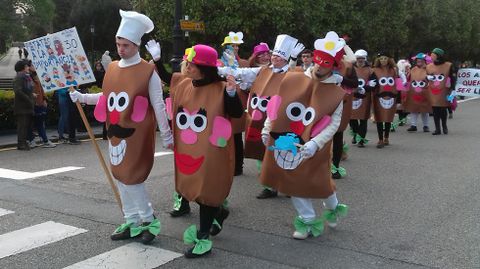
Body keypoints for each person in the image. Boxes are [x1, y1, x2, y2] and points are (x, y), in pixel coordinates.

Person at [70, 9, 173, 245]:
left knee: (132, 178)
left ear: (136, 45)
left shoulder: (149, 71)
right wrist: (82, 98)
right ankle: (132, 220)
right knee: (120, 177)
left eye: (126, 45)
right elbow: (108, 98)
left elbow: (158, 105)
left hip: (137, 135)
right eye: (119, 44)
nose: (121, 49)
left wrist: (167, 135)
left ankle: (149, 221)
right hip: (115, 132)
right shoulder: (114, 68)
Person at [260, 31, 348, 239]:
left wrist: (316, 143)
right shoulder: (293, 79)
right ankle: (307, 221)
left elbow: (334, 123)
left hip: (315, 145)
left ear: (333, 66)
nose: (319, 67)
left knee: (320, 183)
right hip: (289, 140)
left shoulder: (336, 92)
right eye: (318, 62)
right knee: (293, 180)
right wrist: (267, 127)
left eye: (325, 64)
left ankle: (333, 206)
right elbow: (277, 104)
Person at [167, 44, 243, 258]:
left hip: (212, 149)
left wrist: (230, 93)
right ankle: (219, 212)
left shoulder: (221, 88)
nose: (188, 67)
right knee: (192, 186)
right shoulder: (184, 85)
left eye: (192, 64)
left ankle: (203, 237)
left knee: (206, 189)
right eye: (188, 63)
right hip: (188, 147)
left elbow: (236, 113)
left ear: (205, 68)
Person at [224, 34, 305, 199]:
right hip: (260, 118)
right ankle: (269, 186)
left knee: (283, 151)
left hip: (282, 120)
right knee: (263, 151)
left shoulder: (290, 72)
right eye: (274, 55)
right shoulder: (263, 70)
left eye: (278, 56)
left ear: (284, 59)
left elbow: (297, 80)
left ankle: (287, 184)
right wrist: (217, 70)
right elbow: (243, 73)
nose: (274, 58)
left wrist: (294, 59)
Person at [220, 31, 249, 176]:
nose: (235, 48)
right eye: (232, 45)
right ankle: (223, 163)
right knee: (222, 134)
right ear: (225, 47)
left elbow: (250, 82)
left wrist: (243, 84)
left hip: (238, 100)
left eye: (237, 46)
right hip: (222, 100)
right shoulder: (218, 63)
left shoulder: (243, 63)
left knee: (237, 135)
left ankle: (238, 166)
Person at [331, 39, 358, 179]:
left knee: (337, 135)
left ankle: (335, 167)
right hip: (322, 104)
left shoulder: (347, 66)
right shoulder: (322, 64)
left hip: (341, 104)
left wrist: (341, 79)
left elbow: (355, 83)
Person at [371, 52, 399, 148]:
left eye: (385, 58)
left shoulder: (393, 70)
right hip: (378, 96)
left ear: (389, 60)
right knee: (379, 117)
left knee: (388, 117)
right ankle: (380, 139)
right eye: (381, 59)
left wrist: (398, 98)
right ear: (378, 60)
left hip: (391, 96)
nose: (383, 60)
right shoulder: (374, 70)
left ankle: (386, 137)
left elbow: (397, 83)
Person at [26, 60, 56, 148]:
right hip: (32, 103)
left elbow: (42, 89)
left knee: (40, 122)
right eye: (32, 65)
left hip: (40, 103)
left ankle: (45, 140)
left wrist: (44, 99)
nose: (34, 66)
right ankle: (32, 140)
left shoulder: (37, 75)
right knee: (31, 123)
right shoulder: (27, 77)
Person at [427, 48, 456, 135]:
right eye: (431, 55)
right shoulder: (429, 66)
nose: (431, 57)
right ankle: (437, 129)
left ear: (439, 56)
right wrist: (427, 77)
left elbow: (453, 78)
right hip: (433, 90)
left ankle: (444, 126)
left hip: (444, 90)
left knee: (443, 108)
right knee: (435, 109)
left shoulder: (448, 65)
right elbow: (426, 77)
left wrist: (453, 89)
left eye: (433, 55)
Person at [350, 49, 374, 147]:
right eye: (358, 58)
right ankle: (355, 134)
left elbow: (373, 83)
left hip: (364, 97)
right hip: (352, 96)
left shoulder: (370, 70)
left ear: (365, 59)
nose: (360, 60)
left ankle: (361, 140)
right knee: (352, 118)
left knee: (363, 119)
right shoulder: (351, 68)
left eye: (362, 58)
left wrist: (366, 88)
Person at [404, 53, 431, 132]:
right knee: (413, 109)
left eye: (421, 60)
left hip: (424, 92)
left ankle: (426, 126)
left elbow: (432, 78)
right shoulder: (413, 69)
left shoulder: (428, 69)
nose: (419, 62)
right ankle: (413, 125)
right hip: (414, 92)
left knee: (425, 110)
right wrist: (407, 73)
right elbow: (408, 78)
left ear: (424, 61)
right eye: (418, 60)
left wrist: (430, 78)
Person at [13, 60, 34, 150]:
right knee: (22, 126)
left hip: (26, 106)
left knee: (25, 126)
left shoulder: (25, 77)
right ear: (22, 68)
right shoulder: (20, 77)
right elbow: (18, 91)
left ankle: (23, 143)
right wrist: (28, 99)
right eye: (26, 66)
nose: (28, 68)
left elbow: (26, 90)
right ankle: (21, 144)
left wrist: (31, 95)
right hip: (22, 106)